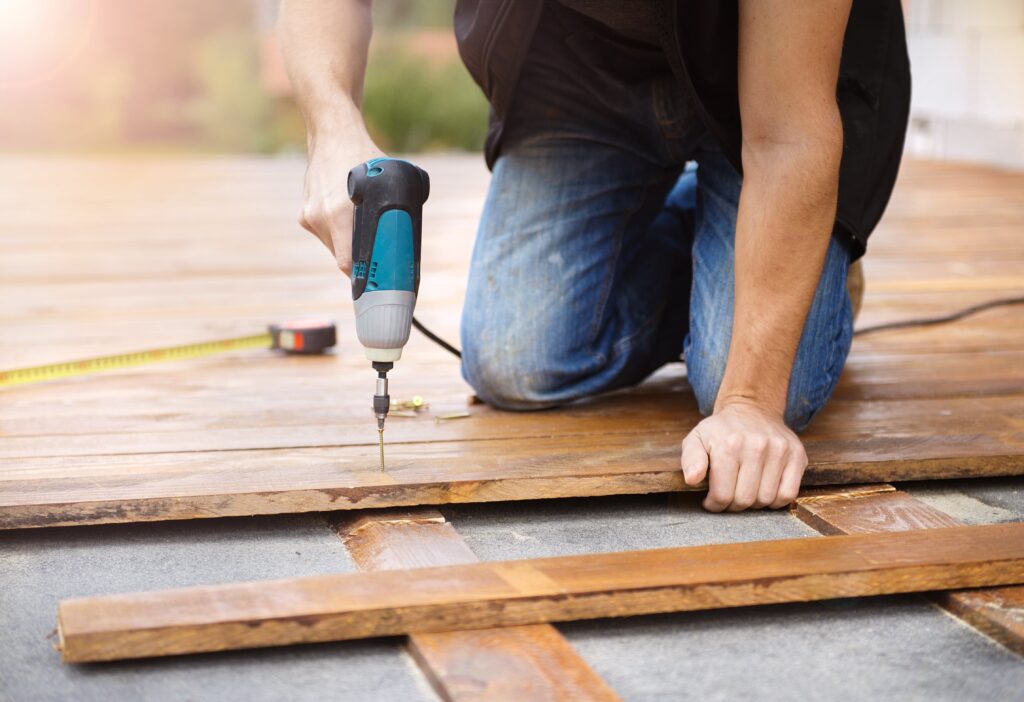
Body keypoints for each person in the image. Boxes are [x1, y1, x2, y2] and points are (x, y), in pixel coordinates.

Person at [279, 0, 910, 512]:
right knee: (513, 363)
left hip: (781, 84)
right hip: (576, 66)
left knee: (761, 390)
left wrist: (748, 405)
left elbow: (788, 136)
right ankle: (739, 237)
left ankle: (808, 241)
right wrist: (333, 127)